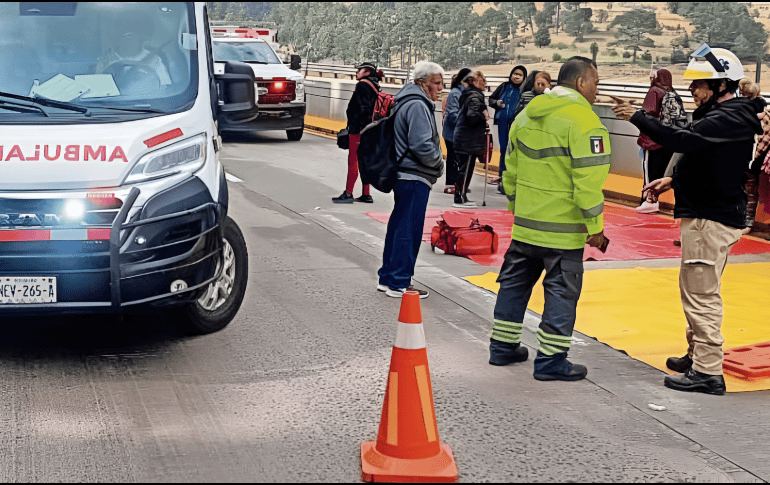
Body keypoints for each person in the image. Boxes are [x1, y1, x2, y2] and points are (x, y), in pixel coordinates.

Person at [613, 45, 764, 396]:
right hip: (707, 213)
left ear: (721, 85)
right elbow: (712, 163)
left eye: (698, 85)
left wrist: (637, 116)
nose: (692, 91)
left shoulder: (731, 116)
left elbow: (682, 139)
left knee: (701, 294)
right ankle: (696, 354)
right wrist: (673, 181)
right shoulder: (729, 115)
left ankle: (708, 371)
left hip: (709, 218)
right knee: (694, 288)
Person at [488, 57, 610, 382]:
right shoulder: (584, 121)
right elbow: (587, 185)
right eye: (596, 84)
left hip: (525, 226)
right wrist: (595, 230)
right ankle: (551, 360)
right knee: (560, 291)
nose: (597, 92)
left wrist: (518, 209)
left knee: (514, 285)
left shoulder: (526, 115)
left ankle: (502, 347)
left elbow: (509, 172)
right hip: (563, 232)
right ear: (582, 82)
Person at [377, 61, 445, 299]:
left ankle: (388, 278)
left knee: (398, 227)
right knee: (409, 230)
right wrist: (438, 163)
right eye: (436, 83)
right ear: (421, 82)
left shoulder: (405, 99)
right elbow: (421, 144)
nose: (440, 88)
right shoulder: (417, 105)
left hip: (403, 174)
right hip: (414, 175)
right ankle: (399, 283)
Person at [333, 62, 383, 204]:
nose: (357, 73)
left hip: (358, 130)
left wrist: (354, 125)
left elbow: (361, 108)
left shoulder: (362, 85)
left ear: (366, 72)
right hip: (369, 130)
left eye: (359, 70)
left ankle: (348, 193)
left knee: (353, 160)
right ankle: (366, 194)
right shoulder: (374, 85)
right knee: (363, 161)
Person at [635, 69, 677, 214]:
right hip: (667, 141)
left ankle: (648, 201)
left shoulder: (654, 91)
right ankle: (653, 200)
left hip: (652, 141)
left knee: (649, 173)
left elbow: (648, 113)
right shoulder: (672, 93)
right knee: (659, 173)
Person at [95, 12, 172, 87]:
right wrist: (103, 72)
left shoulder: (155, 60)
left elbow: (165, 88)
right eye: (124, 34)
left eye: (130, 35)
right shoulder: (106, 61)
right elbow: (98, 91)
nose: (127, 39)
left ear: (143, 37)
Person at [452, 70, 489, 208]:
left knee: (464, 168)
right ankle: (460, 197)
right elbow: (472, 116)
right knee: (466, 168)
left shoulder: (469, 94)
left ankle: (461, 195)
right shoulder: (474, 96)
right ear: (474, 82)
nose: (485, 83)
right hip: (468, 140)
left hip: (465, 138)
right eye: (482, 80)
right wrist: (483, 116)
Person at [490, 66, 527, 182]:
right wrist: (497, 102)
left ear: (524, 77)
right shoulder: (504, 86)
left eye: (519, 75)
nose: (516, 76)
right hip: (502, 122)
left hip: (516, 125)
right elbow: (491, 99)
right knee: (503, 149)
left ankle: (513, 177)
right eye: (515, 73)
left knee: (514, 149)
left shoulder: (525, 90)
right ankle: (502, 175)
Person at [442, 68, 472, 192]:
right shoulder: (455, 93)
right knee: (453, 158)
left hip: (461, 132)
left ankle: (459, 183)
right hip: (452, 133)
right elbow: (452, 114)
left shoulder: (467, 93)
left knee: (461, 159)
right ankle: (450, 183)